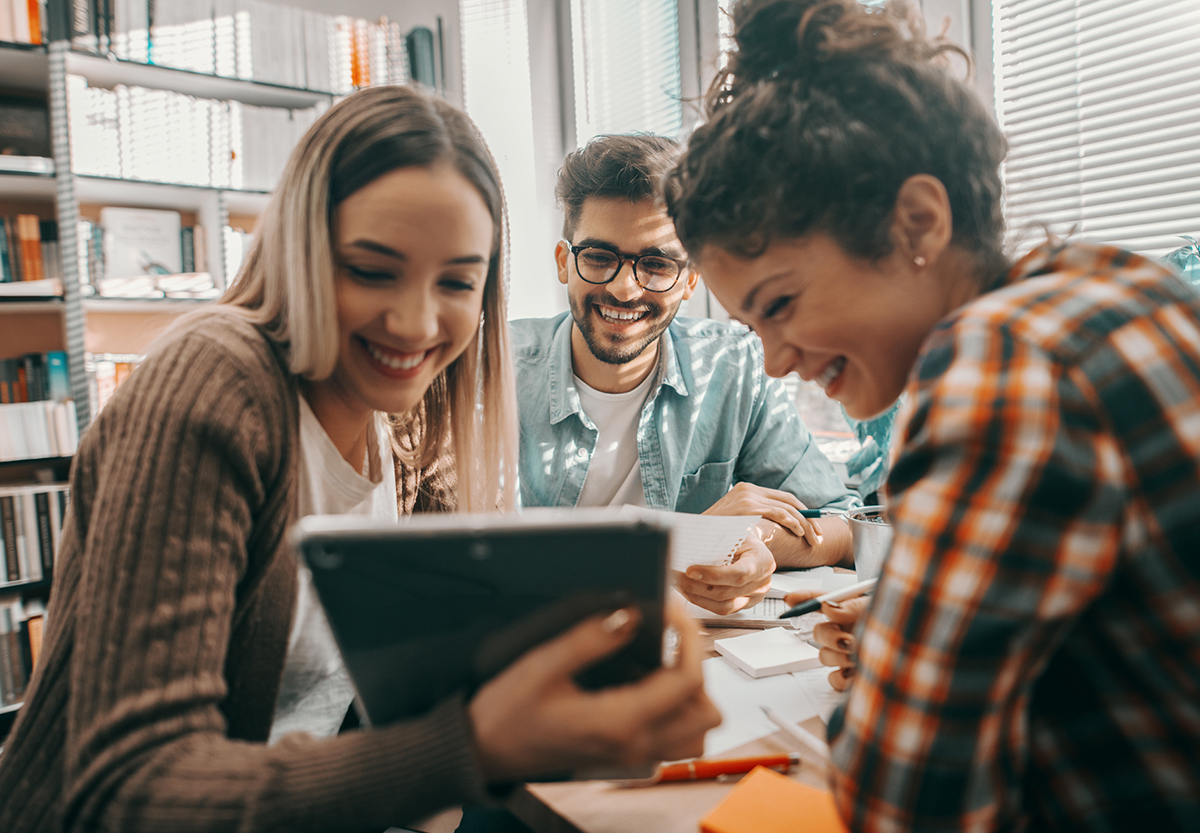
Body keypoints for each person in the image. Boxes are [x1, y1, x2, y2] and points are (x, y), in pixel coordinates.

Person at [0, 86, 720, 833]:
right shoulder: (214, 386)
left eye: (455, 281)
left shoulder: (408, 421)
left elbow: (448, 667)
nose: (415, 322)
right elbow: (132, 791)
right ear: (303, 254)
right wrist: (469, 746)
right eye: (373, 270)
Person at [666, 0, 1200, 829]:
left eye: (781, 303)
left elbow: (903, 799)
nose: (773, 358)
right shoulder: (1121, 287)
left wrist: (897, 674)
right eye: (749, 326)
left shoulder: (1003, 362)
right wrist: (919, 627)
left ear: (917, 220)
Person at [511, 134, 859, 615]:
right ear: (563, 263)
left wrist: (753, 541)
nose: (625, 288)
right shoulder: (494, 373)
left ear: (691, 279)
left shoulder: (734, 366)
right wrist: (689, 541)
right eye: (598, 258)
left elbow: (841, 524)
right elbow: (478, 558)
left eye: (655, 264)